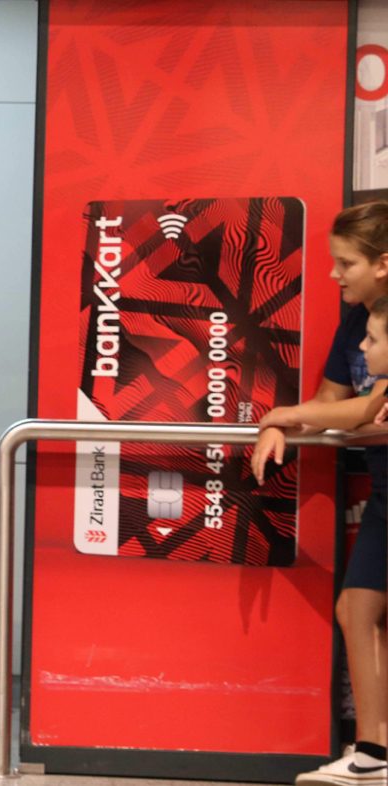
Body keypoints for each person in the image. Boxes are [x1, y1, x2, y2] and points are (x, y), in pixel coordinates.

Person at [252, 202, 388, 786]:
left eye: (345, 263)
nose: (334, 274)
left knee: (361, 607)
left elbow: (369, 406)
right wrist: (283, 425)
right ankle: (374, 756)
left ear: (383, 264)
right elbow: (337, 402)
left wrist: (285, 413)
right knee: (357, 607)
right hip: (384, 489)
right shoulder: (357, 320)